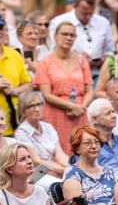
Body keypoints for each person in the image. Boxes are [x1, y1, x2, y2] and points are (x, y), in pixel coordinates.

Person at [35, 20, 92, 152]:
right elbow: (47, 94)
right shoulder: (46, 62)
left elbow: (89, 90)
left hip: (79, 113)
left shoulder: (81, 60)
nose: (68, 38)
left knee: (80, 149)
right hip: (55, 113)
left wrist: (81, 107)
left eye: (72, 35)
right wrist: (72, 106)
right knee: (57, 151)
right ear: (55, 36)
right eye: (64, 34)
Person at [63, 125, 117, 205]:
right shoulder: (72, 175)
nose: (94, 146)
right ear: (77, 149)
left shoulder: (108, 172)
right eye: (88, 143)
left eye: (96, 142)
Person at [13, 90, 68, 179]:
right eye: (31, 106)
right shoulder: (21, 133)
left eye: (39, 104)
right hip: (37, 173)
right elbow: (36, 161)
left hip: (56, 169)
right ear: (23, 111)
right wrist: (65, 170)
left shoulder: (48, 127)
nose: (37, 109)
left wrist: (72, 167)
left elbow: (60, 154)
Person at [87, 98, 118, 178]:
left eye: (113, 112)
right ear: (94, 119)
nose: (114, 116)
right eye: (108, 113)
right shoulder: (88, 145)